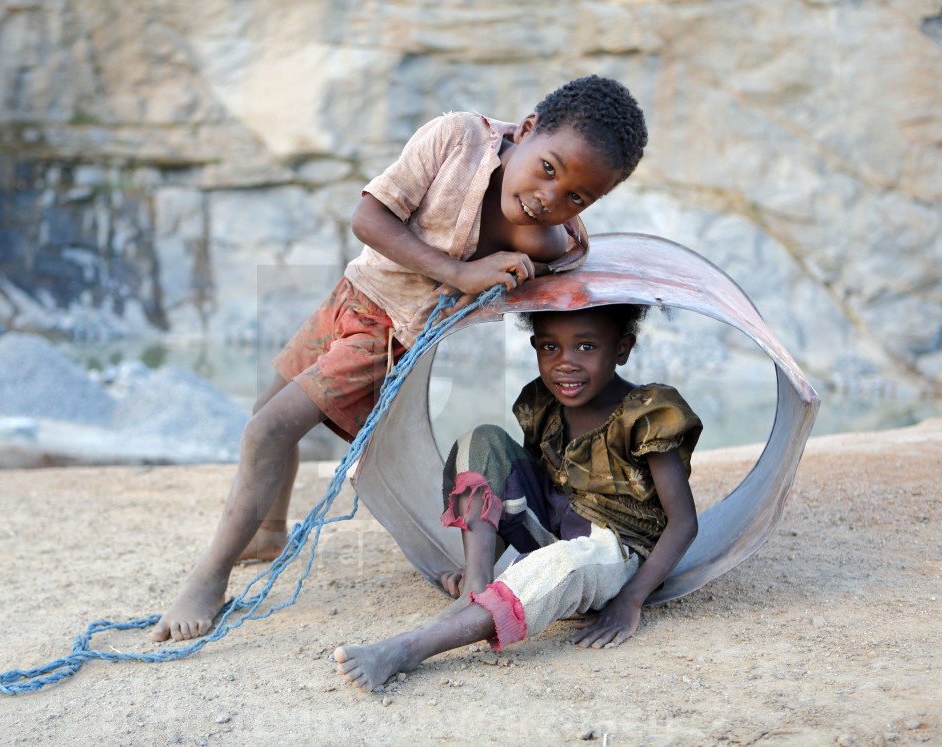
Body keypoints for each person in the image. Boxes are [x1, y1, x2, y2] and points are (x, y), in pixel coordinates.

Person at [151, 76, 650, 642]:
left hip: (386, 337)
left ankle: (208, 579)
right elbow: (368, 220)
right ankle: (267, 531)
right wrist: (458, 272)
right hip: (353, 292)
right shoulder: (455, 139)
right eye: (549, 169)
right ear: (527, 130)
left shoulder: (543, 246)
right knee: (266, 410)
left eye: (576, 198)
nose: (549, 199)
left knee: (266, 431)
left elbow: (567, 287)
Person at [335, 305, 702, 692]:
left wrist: (631, 600)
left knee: (564, 562)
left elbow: (684, 523)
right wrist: (491, 549)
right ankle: (477, 580)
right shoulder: (543, 402)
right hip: (557, 527)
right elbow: (519, 485)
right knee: (482, 440)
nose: (565, 363)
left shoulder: (647, 413)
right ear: (535, 347)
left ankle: (411, 648)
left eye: (586, 347)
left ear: (622, 349)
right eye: (550, 347)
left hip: (613, 551)